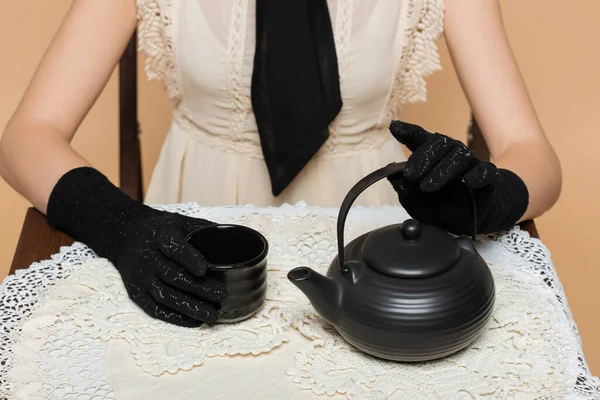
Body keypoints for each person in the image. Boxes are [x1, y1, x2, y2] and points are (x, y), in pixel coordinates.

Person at [0, 0, 561, 327]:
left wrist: (488, 200)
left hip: (369, 229)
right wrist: (119, 224)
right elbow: (27, 135)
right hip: (196, 227)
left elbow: (533, 154)